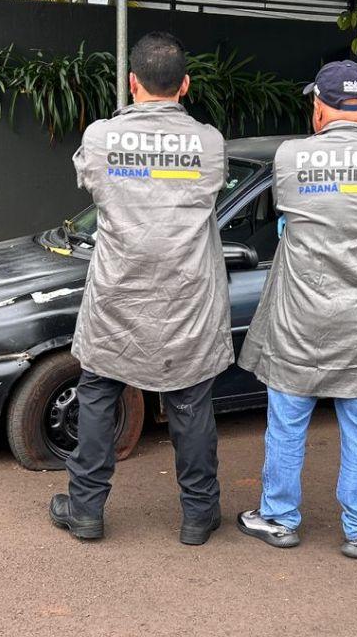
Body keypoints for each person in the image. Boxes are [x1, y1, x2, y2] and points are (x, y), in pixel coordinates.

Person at [49, 32, 232, 546]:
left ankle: (86, 511)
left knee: (98, 395)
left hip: (117, 293)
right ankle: (198, 516)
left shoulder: (101, 137)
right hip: (187, 299)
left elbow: (92, 182)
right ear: (186, 85)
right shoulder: (210, 143)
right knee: (191, 403)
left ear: (132, 83)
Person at [237, 60, 357, 560]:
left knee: (288, 418)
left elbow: (287, 219)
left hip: (303, 316)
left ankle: (278, 517)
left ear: (319, 108)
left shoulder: (291, 156)